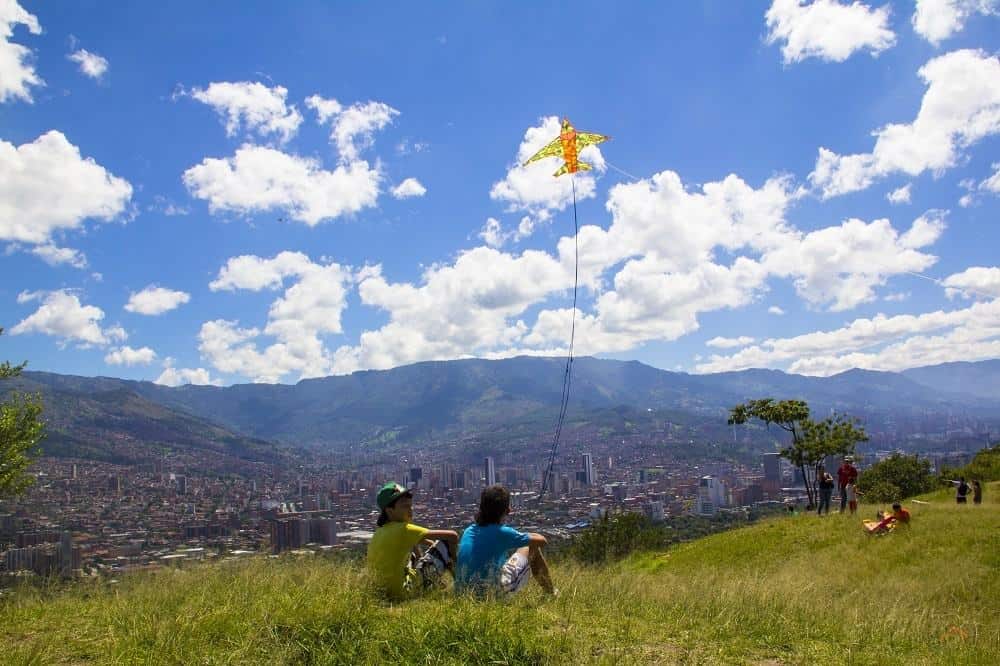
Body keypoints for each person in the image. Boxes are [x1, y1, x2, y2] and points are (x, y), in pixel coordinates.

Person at [455, 484, 555, 597]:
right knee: (531, 546)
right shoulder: (503, 532)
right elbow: (542, 541)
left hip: (463, 594)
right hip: (492, 594)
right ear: (507, 510)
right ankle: (551, 594)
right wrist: (530, 535)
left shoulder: (468, 531)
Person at [366, 482, 458, 600]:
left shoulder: (380, 531)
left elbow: (416, 541)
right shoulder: (403, 529)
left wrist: (430, 547)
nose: (410, 510)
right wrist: (450, 558)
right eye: (405, 506)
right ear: (389, 511)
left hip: (384, 591)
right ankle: (460, 582)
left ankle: (431, 583)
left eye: (410, 506)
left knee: (413, 554)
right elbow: (453, 536)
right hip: (404, 592)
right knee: (445, 543)